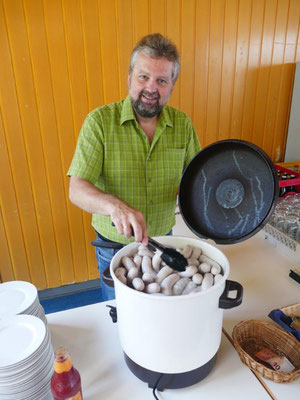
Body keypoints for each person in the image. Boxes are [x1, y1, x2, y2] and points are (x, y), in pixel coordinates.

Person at [67, 33, 201, 300]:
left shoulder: (183, 125)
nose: (151, 88)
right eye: (143, 77)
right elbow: (77, 189)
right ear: (130, 78)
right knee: (118, 313)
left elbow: (198, 180)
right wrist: (115, 207)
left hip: (164, 241)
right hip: (114, 246)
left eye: (162, 80)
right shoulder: (99, 122)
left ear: (172, 85)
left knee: (161, 310)